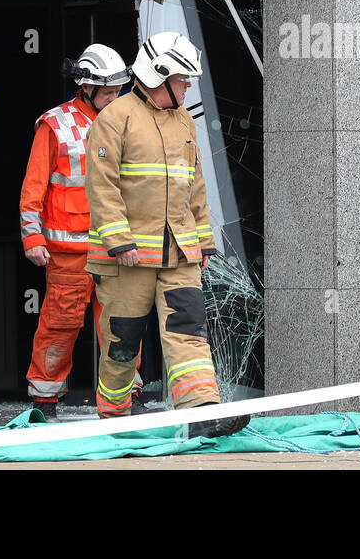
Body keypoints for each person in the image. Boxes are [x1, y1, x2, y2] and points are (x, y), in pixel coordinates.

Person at [85, 32, 248, 437]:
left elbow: (195, 186)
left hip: (180, 254)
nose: (188, 85)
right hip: (127, 258)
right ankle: (114, 414)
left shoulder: (183, 121)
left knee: (188, 332)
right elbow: (102, 187)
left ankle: (202, 414)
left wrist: (204, 241)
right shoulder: (115, 118)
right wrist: (119, 241)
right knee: (123, 342)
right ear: (159, 76)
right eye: (183, 79)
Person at [20, 43, 135, 419]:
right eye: (107, 91)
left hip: (115, 249)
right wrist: (32, 238)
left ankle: (125, 397)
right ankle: (45, 399)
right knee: (60, 325)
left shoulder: (125, 121)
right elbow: (33, 188)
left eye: (118, 90)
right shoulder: (55, 125)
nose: (114, 96)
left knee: (121, 326)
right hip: (68, 253)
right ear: (85, 86)